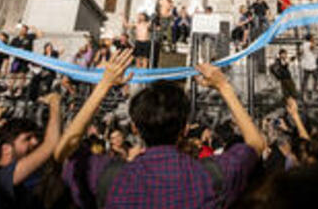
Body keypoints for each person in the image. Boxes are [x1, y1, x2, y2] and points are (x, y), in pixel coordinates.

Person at [55, 49, 267, 209]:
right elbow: (256, 145)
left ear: (135, 129)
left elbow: (63, 150)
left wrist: (103, 85)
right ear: (185, 129)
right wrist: (224, 87)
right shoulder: (212, 176)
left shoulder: (110, 177)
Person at [0, 92, 62, 208]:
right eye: (27, 139)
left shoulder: (27, 177)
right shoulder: (1, 176)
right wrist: (54, 103)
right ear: (6, 149)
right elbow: (51, 144)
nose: (35, 142)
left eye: (35, 137)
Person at [8, 24, 43, 97]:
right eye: (21, 29)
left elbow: (40, 35)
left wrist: (34, 28)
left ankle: (19, 90)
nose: (22, 31)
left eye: (24, 30)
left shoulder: (29, 37)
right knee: (13, 74)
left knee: (22, 74)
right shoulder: (15, 39)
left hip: (25, 60)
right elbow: (9, 49)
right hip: (16, 60)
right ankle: (9, 89)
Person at [300, 35, 318, 101]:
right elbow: (312, 47)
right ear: (310, 38)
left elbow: (301, 52)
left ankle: (304, 94)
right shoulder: (310, 44)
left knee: (305, 80)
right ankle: (313, 92)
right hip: (311, 64)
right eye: (312, 37)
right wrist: (313, 42)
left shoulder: (303, 45)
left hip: (306, 64)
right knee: (315, 78)